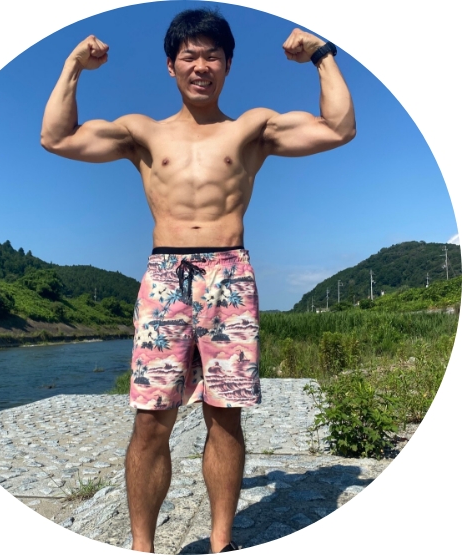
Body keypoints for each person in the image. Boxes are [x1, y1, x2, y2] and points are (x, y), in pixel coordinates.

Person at [41, 8, 355, 553]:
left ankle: (221, 542)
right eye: (190, 56)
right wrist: (73, 64)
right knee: (150, 420)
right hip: (165, 277)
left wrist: (322, 55)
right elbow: (57, 137)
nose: (201, 66)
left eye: (213, 56)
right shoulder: (142, 131)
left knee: (225, 417)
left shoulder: (251, 127)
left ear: (228, 65)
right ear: (171, 66)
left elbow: (338, 128)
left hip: (229, 275)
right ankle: (141, 546)